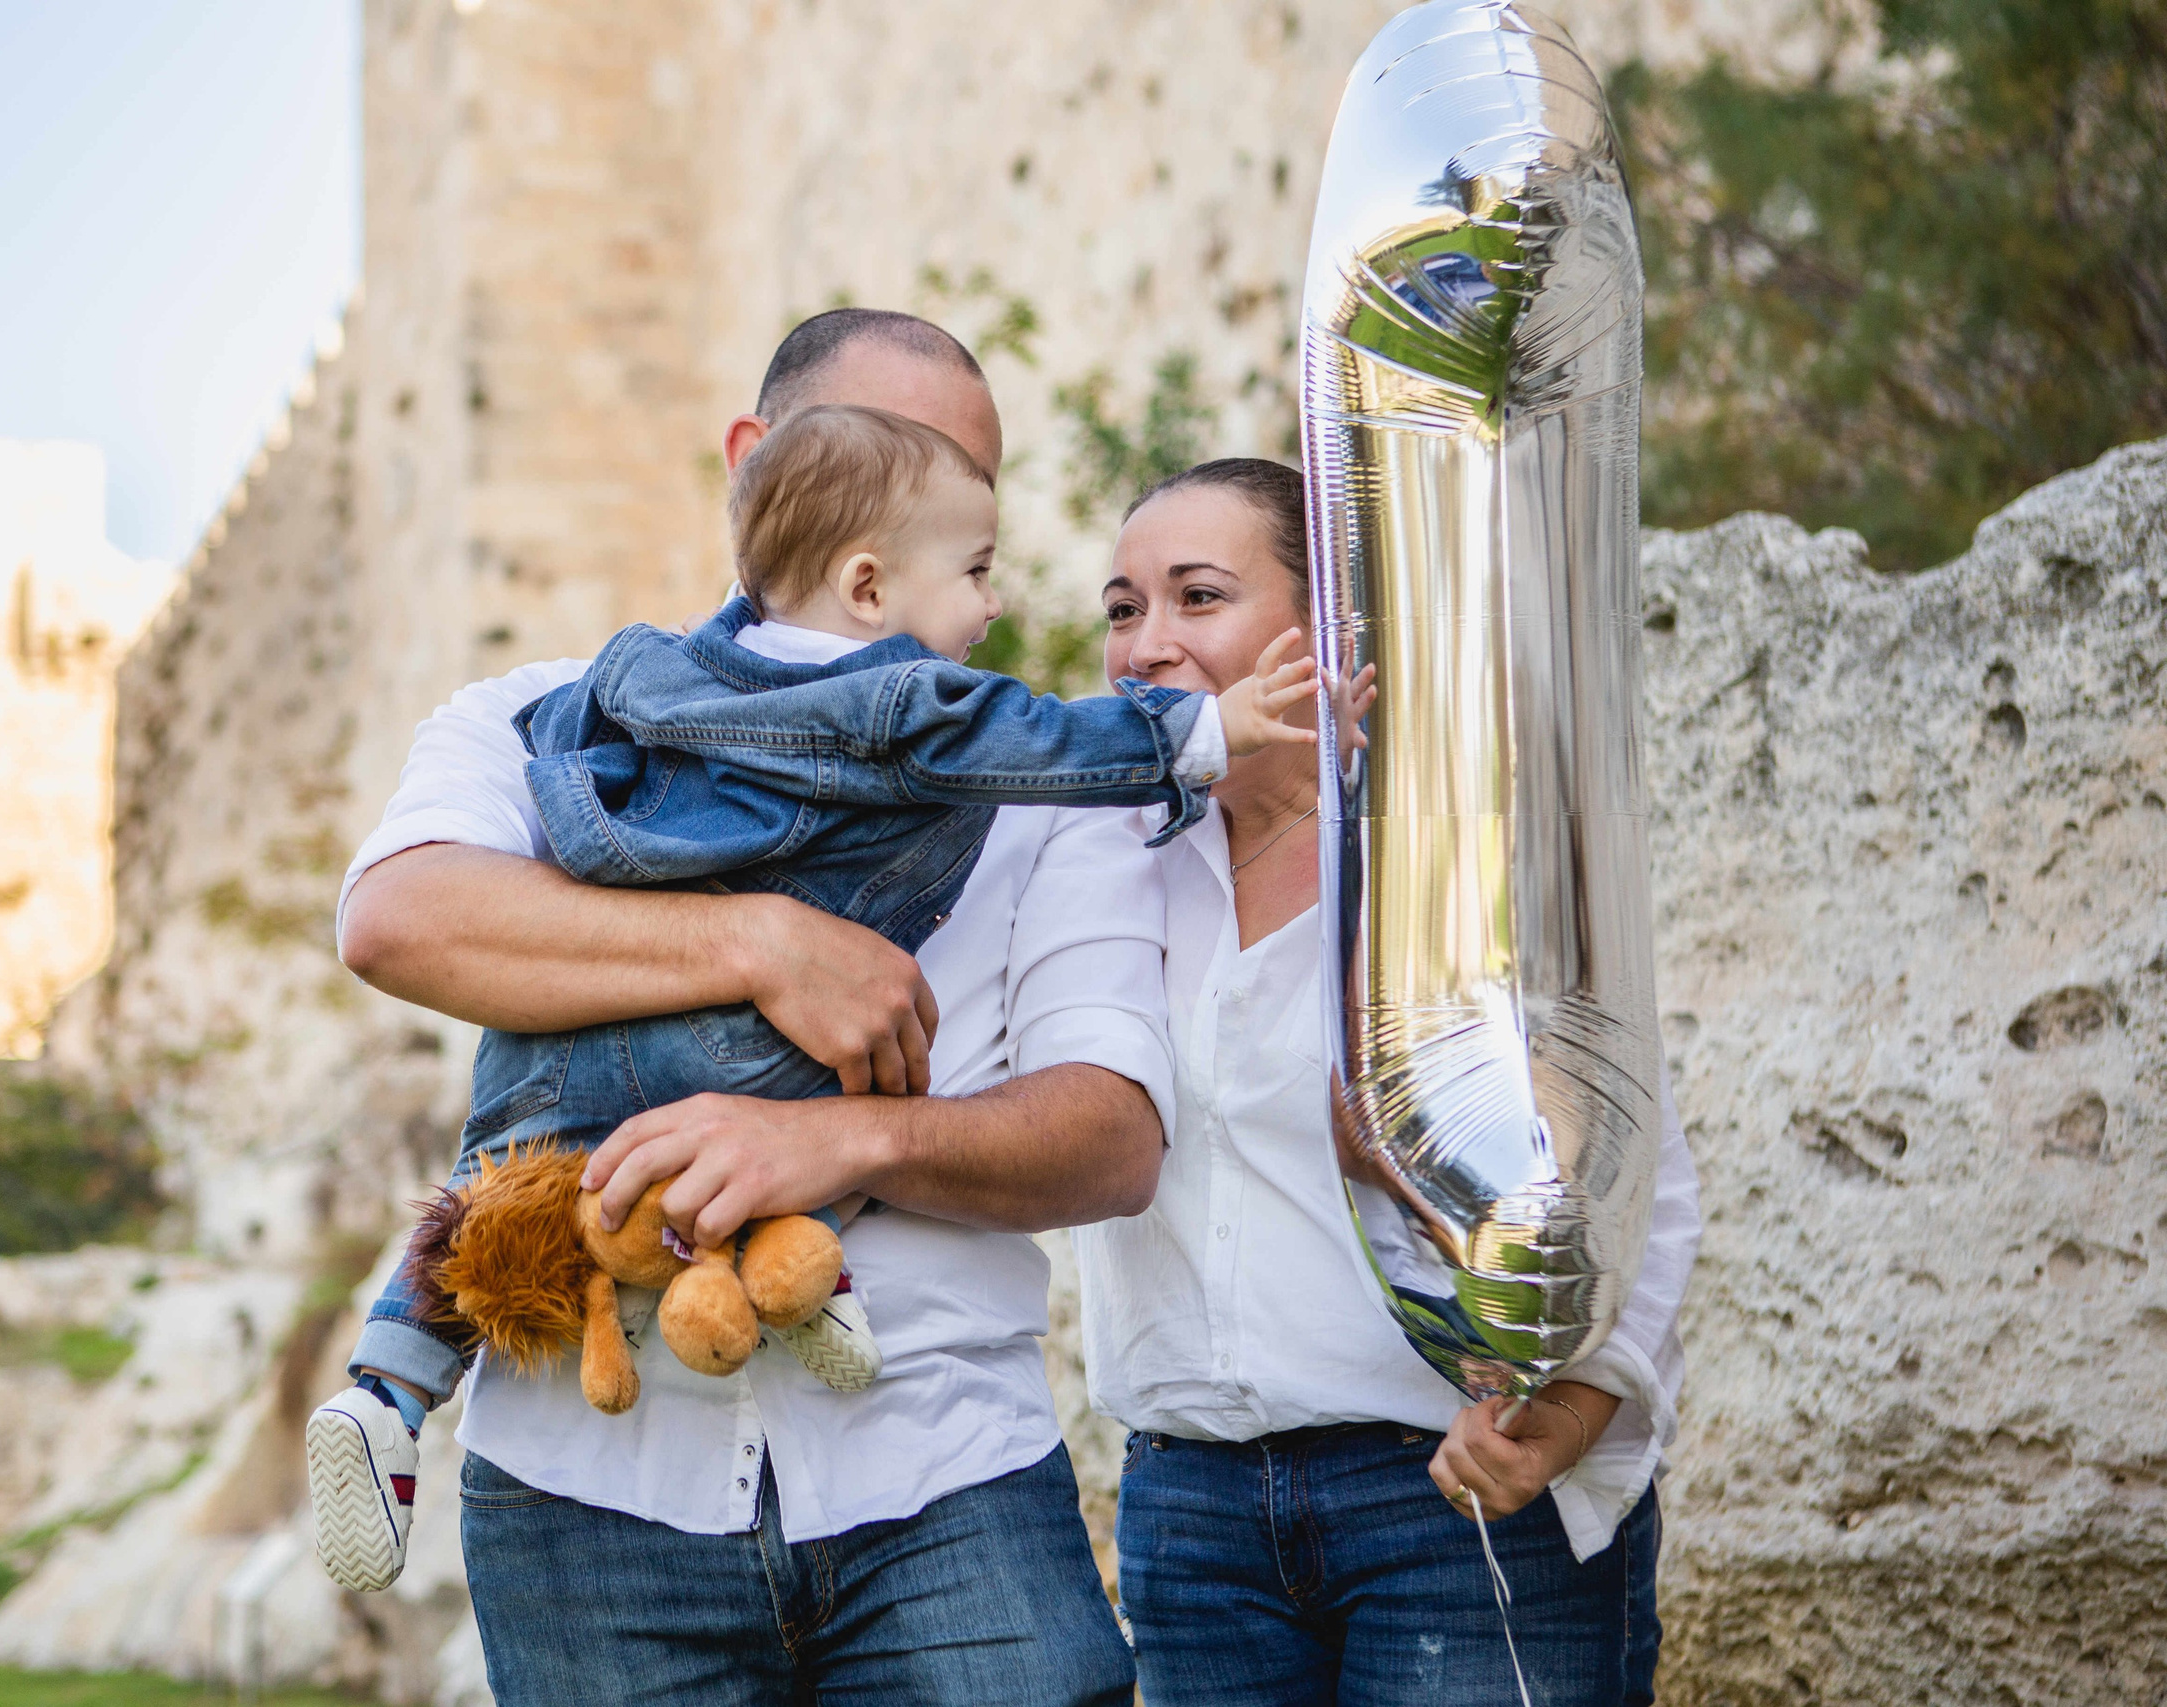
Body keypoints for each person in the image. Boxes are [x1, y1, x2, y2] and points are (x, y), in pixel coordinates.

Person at [316, 309, 1178, 1705]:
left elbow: (1113, 1136)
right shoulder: (547, 719)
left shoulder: (1033, 776)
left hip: (945, 1476)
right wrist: (766, 944)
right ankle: (384, 1387)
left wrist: (847, 1143)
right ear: (759, 465)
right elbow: (401, 920)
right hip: (586, 1502)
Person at [318, 403, 1323, 1464]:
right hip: (632, 1471)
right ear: (867, 582)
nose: (992, 603)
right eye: (974, 568)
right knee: (837, 1075)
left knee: (494, 1178)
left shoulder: (626, 680)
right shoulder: (916, 706)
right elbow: (393, 920)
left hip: (591, 1081)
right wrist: (1205, 734)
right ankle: (812, 1294)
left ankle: (390, 1380)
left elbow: (1109, 1139)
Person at [1077, 457, 1701, 1706]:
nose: (1146, 645)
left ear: (1325, 632)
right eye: (1122, 607)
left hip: (1447, 1501)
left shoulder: (1457, 857)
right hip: (1190, 1519)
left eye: (1197, 598)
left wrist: (1562, 1420)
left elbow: (1638, 1180)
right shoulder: (1098, 867)